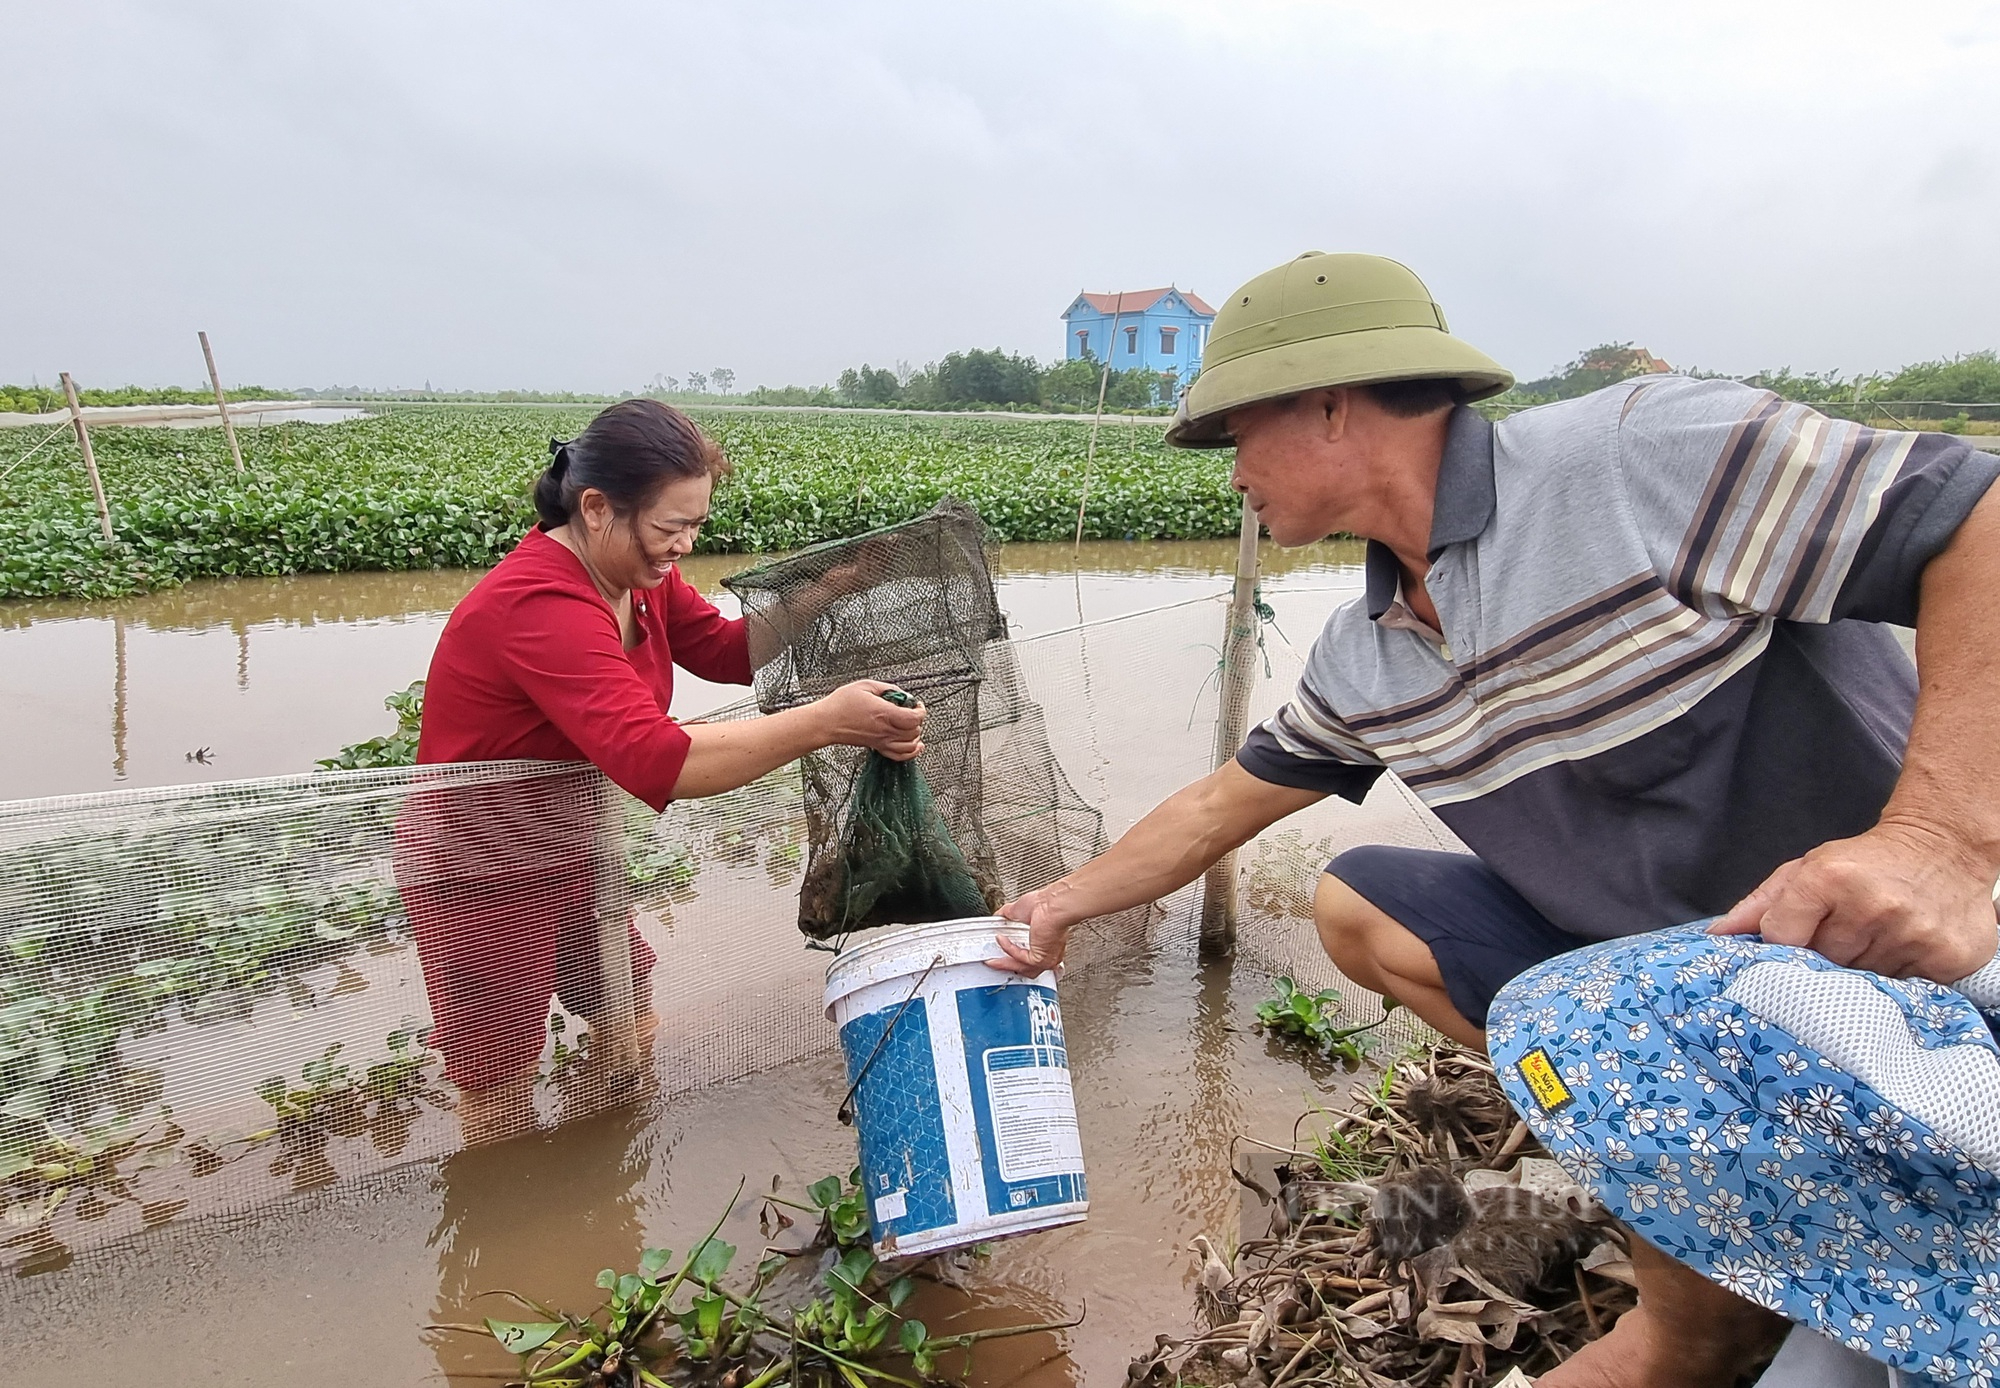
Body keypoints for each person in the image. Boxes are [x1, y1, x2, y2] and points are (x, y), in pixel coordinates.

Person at [992, 251, 2000, 1387]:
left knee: (1729, 1339)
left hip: (1872, 962)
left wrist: (1939, 843)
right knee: (1356, 903)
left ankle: (1700, 1303)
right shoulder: (1367, 652)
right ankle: (1656, 1160)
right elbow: (1220, 803)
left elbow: (1977, 515)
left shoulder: (1632, 458)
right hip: (1647, 1000)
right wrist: (1055, 905)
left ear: (1329, 404)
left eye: (1233, 437)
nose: (1230, 476)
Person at [397, 399, 925, 1144]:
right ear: (596, 507)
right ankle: (510, 1222)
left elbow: (725, 652)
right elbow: (658, 759)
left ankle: (615, 1160)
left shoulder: (635, 576)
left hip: (572, 846)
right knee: (500, 1083)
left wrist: (833, 584)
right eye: (668, 526)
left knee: (628, 1011)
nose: (681, 546)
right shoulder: (541, 600)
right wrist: (826, 723)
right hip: (479, 867)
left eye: (696, 526)